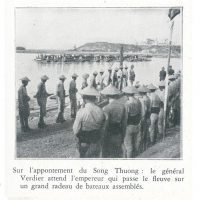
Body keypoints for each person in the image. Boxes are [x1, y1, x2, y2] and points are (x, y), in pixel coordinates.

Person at [73, 86, 106, 158]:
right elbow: (103, 127)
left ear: (84, 99)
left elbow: (75, 130)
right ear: (94, 99)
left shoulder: (81, 112)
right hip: (96, 141)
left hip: (85, 142)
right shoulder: (101, 110)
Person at [101, 84, 126, 158]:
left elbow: (105, 125)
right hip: (118, 133)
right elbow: (124, 123)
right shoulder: (122, 106)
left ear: (107, 96)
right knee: (117, 154)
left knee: (108, 155)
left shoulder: (106, 108)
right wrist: (123, 135)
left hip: (109, 134)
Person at [122, 85, 142, 158]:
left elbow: (126, 117)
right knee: (135, 143)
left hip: (129, 125)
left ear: (127, 94)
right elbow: (140, 113)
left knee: (128, 146)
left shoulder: (127, 103)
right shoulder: (138, 101)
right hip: (137, 124)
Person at [138, 85, 151, 151]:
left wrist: (142, 118)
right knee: (146, 133)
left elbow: (144, 110)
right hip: (148, 117)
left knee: (141, 134)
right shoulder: (148, 98)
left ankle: (141, 148)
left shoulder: (143, 100)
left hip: (144, 118)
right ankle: (145, 147)